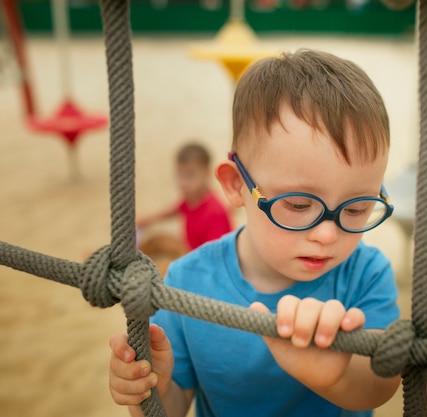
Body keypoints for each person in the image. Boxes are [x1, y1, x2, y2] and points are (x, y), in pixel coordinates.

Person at [109, 48, 401, 417]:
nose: (328, 235)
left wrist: (335, 377)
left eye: (357, 208)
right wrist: (151, 394)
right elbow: (173, 406)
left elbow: (382, 383)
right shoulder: (186, 281)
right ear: (235, 185)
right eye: (298, 205)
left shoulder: (366, 273)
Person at [136, 142, 233, 252]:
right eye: (179, 174)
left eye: (190, 175)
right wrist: (147, 220)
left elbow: (218, 254)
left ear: (206, 174)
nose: (183, 183)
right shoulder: (189, 200)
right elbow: (172, 211)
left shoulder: (215, 212)